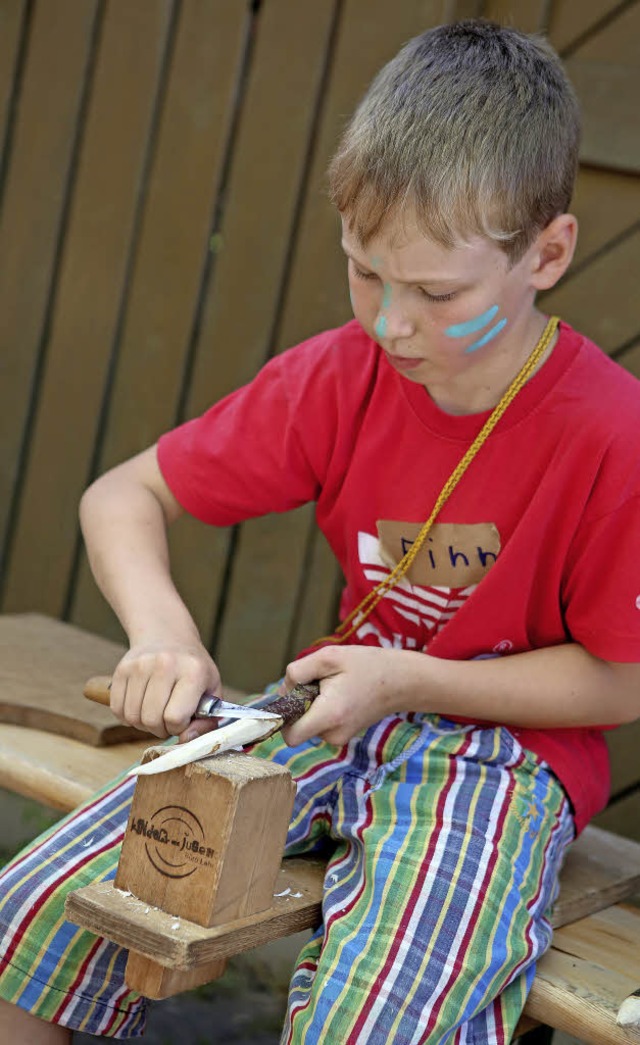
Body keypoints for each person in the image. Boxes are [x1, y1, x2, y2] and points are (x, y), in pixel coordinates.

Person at [1, 17, 639, 1045]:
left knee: (376, 1015)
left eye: (436, 292)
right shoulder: (343, 374)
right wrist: (160, 633)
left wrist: (412, 681)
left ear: (548, 253)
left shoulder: (614, 435)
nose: (390, 323)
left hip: (504, 764)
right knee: (38, 906)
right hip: (323, 714)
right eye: (362, 271)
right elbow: (121, 497)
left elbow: (624, 679)